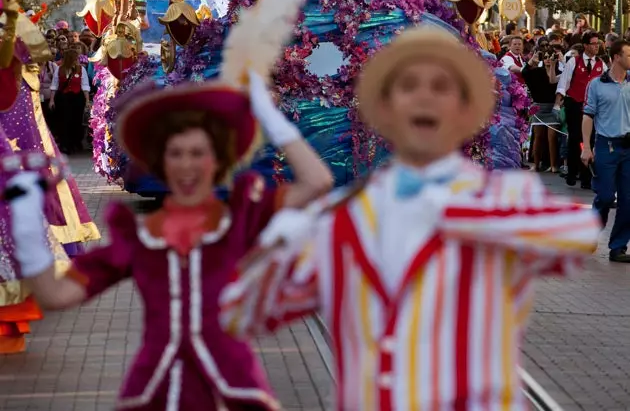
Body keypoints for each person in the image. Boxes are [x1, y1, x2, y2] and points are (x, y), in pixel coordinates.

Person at [220, 27, 599, 411]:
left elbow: (579, 233)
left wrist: (442, 207)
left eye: (440, 87)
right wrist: (283, 238)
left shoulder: (505, 197)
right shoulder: (346, 218)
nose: (424, 97)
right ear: (383, 108)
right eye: (408, 86)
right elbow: (239, 312)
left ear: (465, 110)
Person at [6, 67, 333, 410]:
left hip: (234, 391)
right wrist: (28, 225)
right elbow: (55, 294)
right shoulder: (139, 238)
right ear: (159, 163)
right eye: (175, 154)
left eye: (197, 154)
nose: (186, 166)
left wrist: (268, 117)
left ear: (217, 160)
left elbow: (317, 182)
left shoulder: (239, 219)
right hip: (155, 394)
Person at [582, 39, 630, 262]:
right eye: (628, 55)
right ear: (617, 57)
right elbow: (588, 116)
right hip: (606, 146)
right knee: (606, 195)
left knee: (628, 200)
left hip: (628, 147)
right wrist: (586, 147)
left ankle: (618, 247)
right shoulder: (597, 84)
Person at [555, 30, 605, 188]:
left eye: (598, 43)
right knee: (575, 138)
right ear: (585, 45)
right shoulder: (573, 62)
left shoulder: (601, 64)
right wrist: (558, 104)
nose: (596, 47)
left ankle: (586, 178)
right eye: (593, 44)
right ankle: (571, 172)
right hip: (574, 104)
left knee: (589, 140)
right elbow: (564, 83)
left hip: (591, 108)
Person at [522, 39, 560, 172]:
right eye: (546, 57)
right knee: (538, 136)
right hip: (539, 107)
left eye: (551, 57)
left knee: (552, 137)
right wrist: (532, 60)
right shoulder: (537, 72)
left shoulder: (559, 72)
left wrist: (559, 63)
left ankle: (554, 165)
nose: (548, 59)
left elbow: (553, 82)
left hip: (552, 107)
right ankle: (536, 164)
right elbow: (525, 73)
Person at [51, 47, 90, 154]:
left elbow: (85, 85)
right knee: (64, 121)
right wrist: (52, 100)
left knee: (76, 120)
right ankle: (65, 144)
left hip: (77, 97)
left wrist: (87, 100)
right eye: (75, 58)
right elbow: (54, 85)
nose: (77, 60)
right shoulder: (59, 69)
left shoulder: (81, 69)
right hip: (63, 98)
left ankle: (74, 143)